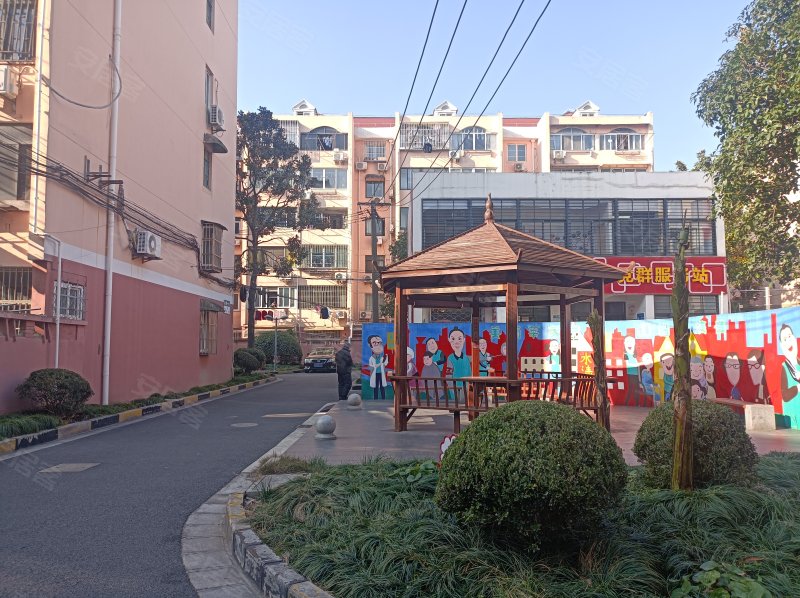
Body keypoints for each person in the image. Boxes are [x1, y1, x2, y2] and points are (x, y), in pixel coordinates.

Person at [779, 323, 800, 427]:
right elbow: (785, 396)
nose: (789, 341)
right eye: (785, 339)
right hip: (793, 416)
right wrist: (798, 387)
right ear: (781, 345)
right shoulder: (784, 367)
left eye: (790, 336)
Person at [367, 334, 389, 400]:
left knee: (382, 386)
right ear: (370, 346)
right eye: (374, 343)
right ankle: (375, 398)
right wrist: (379, 364)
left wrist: (386, 358)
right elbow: (371, 366)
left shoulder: (381, 357)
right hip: (375, 374)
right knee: (376, 386)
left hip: (381, 373)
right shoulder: (371, 358)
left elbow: (385, 364)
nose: (377, 345)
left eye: (379, 343)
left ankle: (383, 398)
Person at [623, 336, 640, 406]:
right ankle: (626, 402)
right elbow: (628, 364)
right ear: (624, 343)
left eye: (631, 342)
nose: (630, 344)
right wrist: (637, 364)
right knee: (631, 388)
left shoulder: (634, 355)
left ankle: (636, 403)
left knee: (636, 388)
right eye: (628, 341)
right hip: (630, 374)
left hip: (636, 374)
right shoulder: (626, 355)